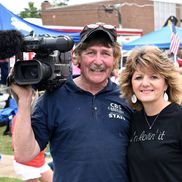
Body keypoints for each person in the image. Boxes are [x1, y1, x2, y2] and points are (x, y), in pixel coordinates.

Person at [10, 22, 133, 182]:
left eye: (105, 53)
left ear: (114, 59)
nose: (98, 61)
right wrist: (24, 101)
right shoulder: (53, 98)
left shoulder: (127, 99)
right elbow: (24, 154)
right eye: (90, 53)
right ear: (77, 58)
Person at [120, 45, 182, 182]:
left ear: (166, 83)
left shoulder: (178, 118)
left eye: (153, 77)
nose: (145, 83)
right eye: (138, 77)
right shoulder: (131, 119)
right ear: (130, 84)